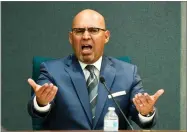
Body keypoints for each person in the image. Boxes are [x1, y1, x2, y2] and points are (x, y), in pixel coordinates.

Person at [27, 9, 164, 130]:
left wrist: (146, 112)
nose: (86, 36)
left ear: (106, 36)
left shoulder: (128, 73)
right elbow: (37, 110)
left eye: (93, 30)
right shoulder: (51, 70)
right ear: (70, 38)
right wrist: (41, 103)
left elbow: (143, 117)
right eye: (79, 31)